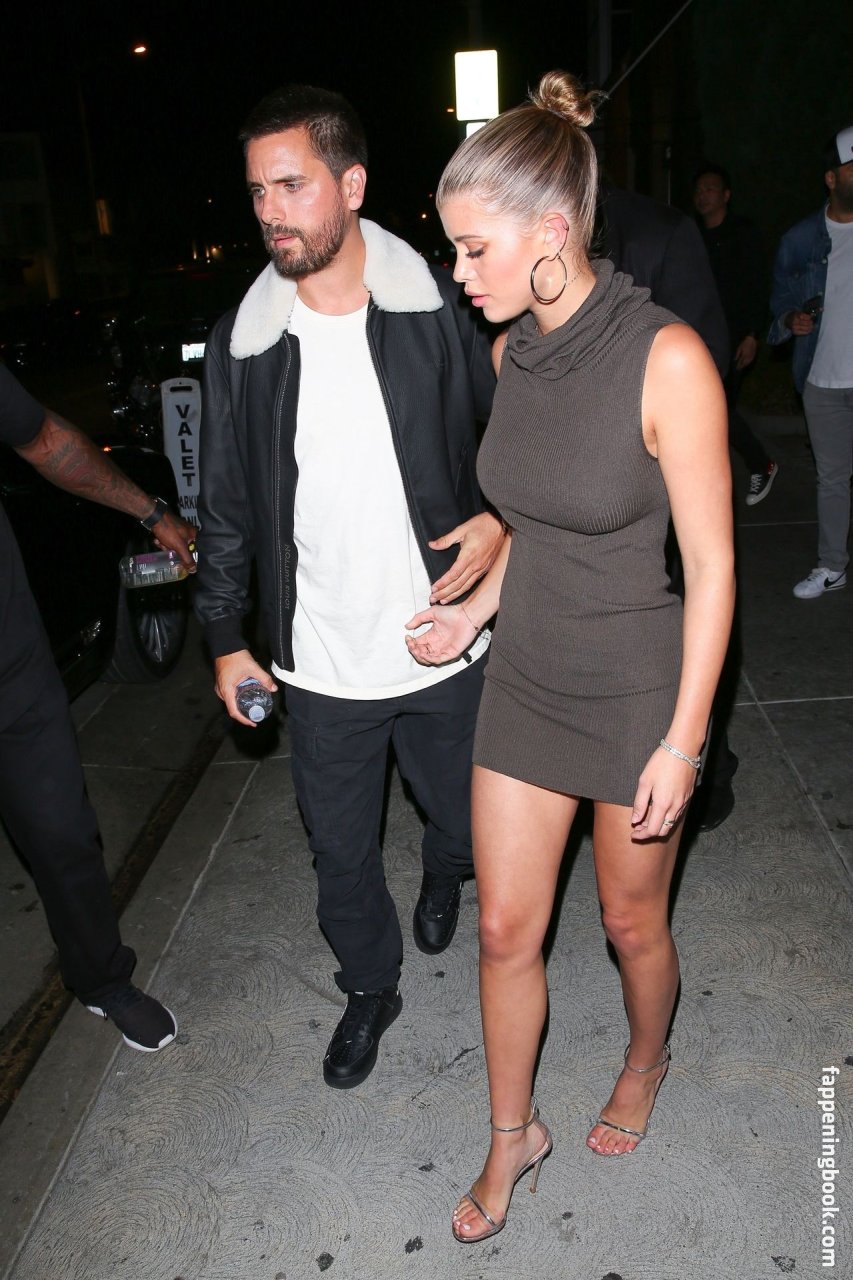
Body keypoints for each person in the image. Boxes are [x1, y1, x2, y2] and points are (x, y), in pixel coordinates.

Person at [406, 70, 735, 1242]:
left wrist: (684, 742)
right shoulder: (512, 357)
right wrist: (476, 610)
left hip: (639, 684)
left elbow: (713, 569)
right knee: (505, 928)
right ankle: (513, 1134)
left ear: (552, 232)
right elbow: (533, 520)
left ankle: (645, 1058)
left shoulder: (667, 359)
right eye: (452, 248)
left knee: (629, 922)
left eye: (474, 248)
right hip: (528, 673)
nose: (459, 272)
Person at [194, 85, 501, 1090]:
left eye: (292, 185)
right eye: (257, 192)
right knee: (339, 856)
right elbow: (224, 504)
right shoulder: (244, 345)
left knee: (466, 821)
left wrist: (501, 527)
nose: (270, 211)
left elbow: (512, 436)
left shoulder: (440, 309)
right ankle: (370, 983)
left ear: (352, 184)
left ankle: (446, 868)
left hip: (444, 636)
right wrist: (225, 636)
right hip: (320, 660)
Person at [0, 363, 196, 1051]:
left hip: (12, 668)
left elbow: (45, 441)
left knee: (63, 835)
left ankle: (102, 980)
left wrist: (150, 511)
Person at [598, 185, 740, 831]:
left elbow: (706, 354)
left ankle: (704, 765)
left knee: (694, 612)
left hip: (664, 473)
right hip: (585, 490)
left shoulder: (658, 229)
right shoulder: (524, 227)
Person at [768, 126, 853, 599]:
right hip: (822, 379)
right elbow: (780, 296)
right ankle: (832, 565)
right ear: (831, 178)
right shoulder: (802, 239)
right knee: (833, 479)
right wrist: (790, 318)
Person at [693, 163, 778, 505]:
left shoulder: (743, 233)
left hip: (734, 336)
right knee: (708, 407)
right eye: (699, 190)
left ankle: (761, 463)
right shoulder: (693, 236)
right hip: (700, 335)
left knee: (719, 407)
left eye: (710, 189)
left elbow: (757, 285)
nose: (703, 195)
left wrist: (751, 335)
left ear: (726, 195)